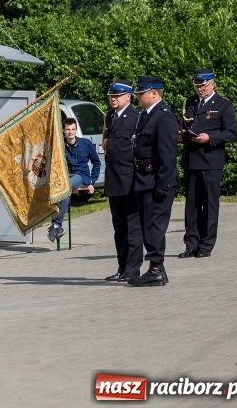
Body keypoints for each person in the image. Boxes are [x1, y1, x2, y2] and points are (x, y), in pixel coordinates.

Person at [178, 68, 237, 258]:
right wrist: (180, 135)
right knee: (192, 205)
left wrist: (210, 137)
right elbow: (183, 124)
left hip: (211, 160)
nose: (200, 89)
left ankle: (206, 244)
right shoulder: (190, 102)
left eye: (203, 86)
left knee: (210, 204)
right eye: (197, 86)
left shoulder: (223, 104)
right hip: (191, 159)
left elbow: (231, 132)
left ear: (212, 84)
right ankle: (191, 244)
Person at [129, 76, 179, 287]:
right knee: (147, 225)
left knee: (154, 226)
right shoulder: (146, 115)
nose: (138, 97)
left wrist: (163, 184)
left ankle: (155, 269)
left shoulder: (164, 117)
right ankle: (159, 270)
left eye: (141, 93)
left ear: (154, 93)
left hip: (156, 179)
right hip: (144, 178)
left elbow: (168, 154)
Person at [101, 80, 141, 282]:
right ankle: (122, 267)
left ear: (128, 97)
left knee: (132, 228)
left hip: (129, 180)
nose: (113, 99)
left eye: (117, 96)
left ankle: (133, 270)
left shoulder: (136, 117)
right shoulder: (110, 117)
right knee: (119, 228)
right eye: (111, 96)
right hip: (114, 180)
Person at [48, 118, 101, 242]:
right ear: (63, 130)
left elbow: (96, 162)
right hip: (67, 177)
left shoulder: (86, 143)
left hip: (81, 176)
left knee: (66, 187)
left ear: (76, 130)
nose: (70, 132)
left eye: (73, 129)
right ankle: (57, 226)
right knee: (64, 190)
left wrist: (92, 181)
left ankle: (56, 224)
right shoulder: (60, 145)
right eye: (68, 129)